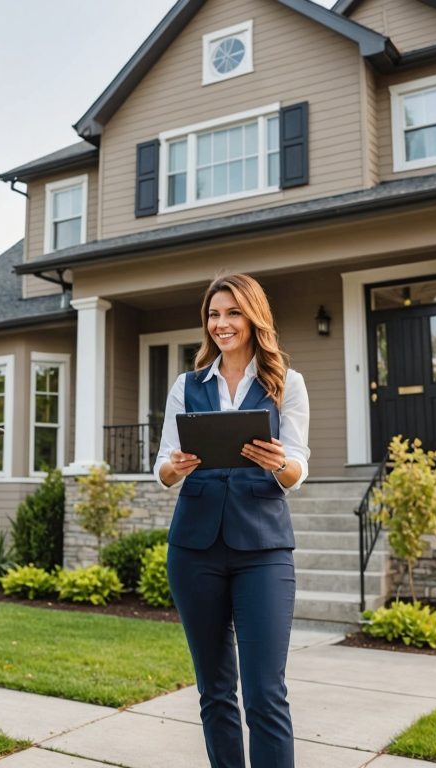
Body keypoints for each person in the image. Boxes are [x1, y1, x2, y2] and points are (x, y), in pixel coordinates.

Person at [154, 272, 310, 768]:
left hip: (262, 550)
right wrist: (172, 468)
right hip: (195, 549)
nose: (221, 323)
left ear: (253, 316)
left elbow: (299, 466)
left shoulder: (287, 382)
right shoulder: (187, 384)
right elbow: (161, 467)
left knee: (266, 693)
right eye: (214, 314)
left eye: (232, 312)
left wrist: (277, 462)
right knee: (215, 690)